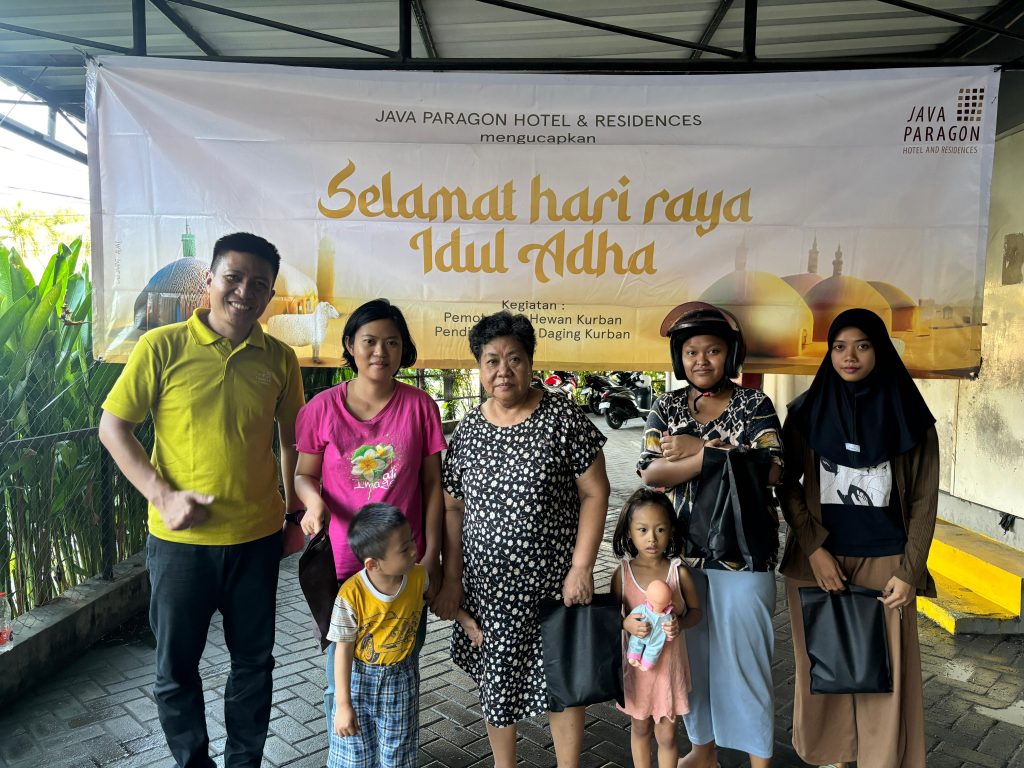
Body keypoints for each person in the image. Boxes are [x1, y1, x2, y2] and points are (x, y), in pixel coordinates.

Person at [98, 232, 305, 767]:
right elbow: (113, 428)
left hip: (257, 540)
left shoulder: (280, 359)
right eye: (233, 277)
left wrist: (293, 515)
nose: (244, 292)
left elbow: (292, 443)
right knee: (175, 671)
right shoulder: (160, 347)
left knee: (254, 665)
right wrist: (161, 495)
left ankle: (244, 762)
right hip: (180, 544)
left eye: (259, 284)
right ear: (209, 280)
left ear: (270, 295)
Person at [432, 310, 610, 768]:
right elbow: (452, 507)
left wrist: (582, 567)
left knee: (563, 683)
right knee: (498, 683)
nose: (503, 370)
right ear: (479, 366)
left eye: (514, 358)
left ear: (530, 362)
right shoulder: (469, 429)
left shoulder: (562, 416)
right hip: (490, 591)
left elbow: (595, 492)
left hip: (554, 585)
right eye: (491, 360)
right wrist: (451, 579)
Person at [777, 308, 938, 768]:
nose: (850, 356)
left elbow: (924, 499)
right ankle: (836, 759)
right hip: (819, 563)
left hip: (886, 563)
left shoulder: (911, 417)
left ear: (879, 350)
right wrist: (813, 547)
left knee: (885, 679)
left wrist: (909, 571)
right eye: (840, 346)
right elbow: (786, 483)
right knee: (824, 670)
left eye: (862, 346)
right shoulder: (805, 413)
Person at [637, 301, 782, 768]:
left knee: (746, 661)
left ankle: (759, 760)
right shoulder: (667, 406)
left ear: (730, 355)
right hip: (683, 558)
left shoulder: (754, 405)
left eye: (713, 350)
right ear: (679, 357)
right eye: (691, 352)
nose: (701, 360)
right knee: (692, 661)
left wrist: (697, 450)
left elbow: (774, 469)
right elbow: (650, 473)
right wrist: (709, 458)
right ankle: (703, 751)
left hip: (744, 554)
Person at [293, 298, 448, 728]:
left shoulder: (421, 407)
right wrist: (314, 502)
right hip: (344, 565)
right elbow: (304, 475)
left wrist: (431, 555)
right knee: (339, 674)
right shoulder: (321, 408)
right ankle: (348, 751)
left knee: (400, 668)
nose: (381, 351)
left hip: (404, 565)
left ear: (403, 349)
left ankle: (394, 750)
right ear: (350, 345)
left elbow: (432, 485)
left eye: (392, 342)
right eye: (370, 341)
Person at [326, 503, 481, 767]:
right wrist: (343, 705)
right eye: (404, 549)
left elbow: (435, 601)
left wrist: (465, 620)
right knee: (353, 754)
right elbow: (343, 651)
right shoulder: (351, 595)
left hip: (401, 681)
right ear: (373, 564)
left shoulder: (418, 576)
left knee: (398, 753)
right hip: (358, 681)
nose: (414, 550)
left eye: (411, 541)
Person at [611, 487, 701, 768]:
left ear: (671, 530)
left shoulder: (679, 573)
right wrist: (625, 623)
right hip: (637, 671)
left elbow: (696, 613)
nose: (652, 538)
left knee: (667, 735)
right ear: (629, 532)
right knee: (640, 729)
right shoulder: (622, 575)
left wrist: (680, 624)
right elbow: (610, 617)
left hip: (668, 672)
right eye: (643, 530)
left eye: (660, 529)